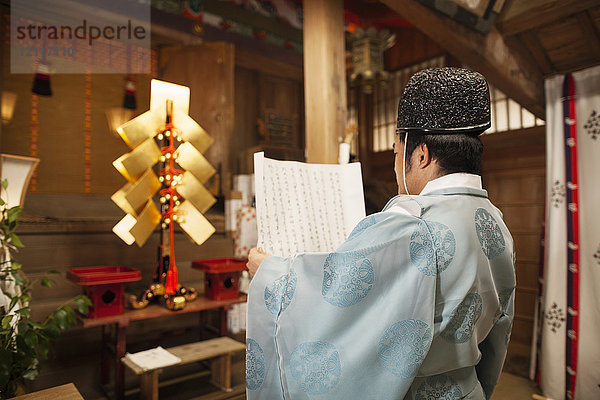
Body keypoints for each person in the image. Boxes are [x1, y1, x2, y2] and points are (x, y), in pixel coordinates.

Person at [245, 67, 515, 399]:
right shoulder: (496, 222)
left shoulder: (412, 224)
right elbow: (499, 333)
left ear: (421, 154)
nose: (395, 166)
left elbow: (333, 302)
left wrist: (270, 272)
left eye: (396, 153)